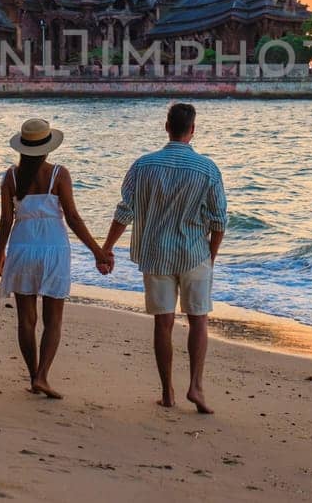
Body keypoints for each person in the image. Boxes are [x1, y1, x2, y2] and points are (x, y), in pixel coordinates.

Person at [100, 103, 227, 413]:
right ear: (192, 130)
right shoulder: (207, 169)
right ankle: (196, 387)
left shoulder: (143, 166)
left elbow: (125, 211)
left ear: (166, 127)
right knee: (198, 320)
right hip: (194, 252)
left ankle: (167, 392)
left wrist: (107, 248)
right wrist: (210, 256)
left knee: (164, 323)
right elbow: (219, 220)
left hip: (156, 253)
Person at [0, 117, 112, 399]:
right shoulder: (59, 174)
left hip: (22, 247)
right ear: (47, 148)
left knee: (26, 320)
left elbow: (5, 219)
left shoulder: (11, 176)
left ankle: (34, 374)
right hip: (53, 248)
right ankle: (43, 377)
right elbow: (72, 218)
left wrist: (0, 252)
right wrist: (98, 252)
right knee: (53, 320)